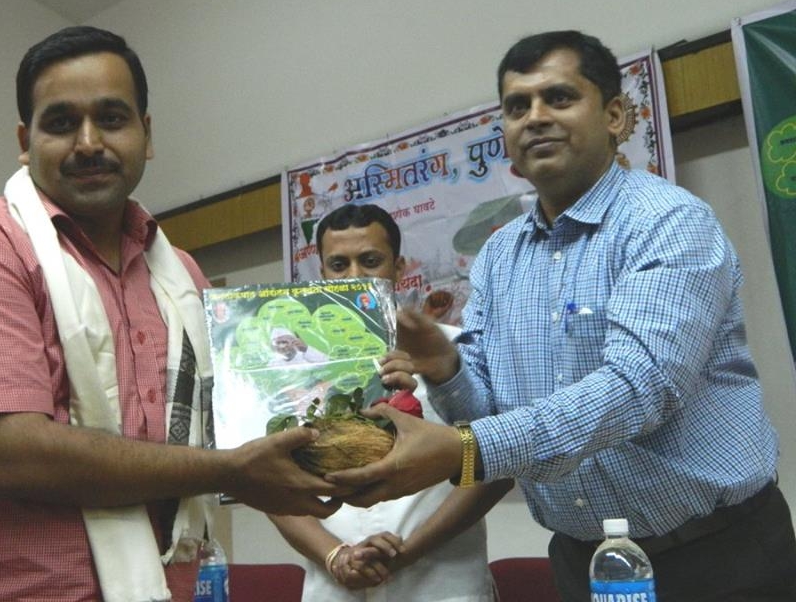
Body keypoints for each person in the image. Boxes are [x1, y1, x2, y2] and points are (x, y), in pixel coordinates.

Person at [0, 26, 345, 602]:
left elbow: (245, 420)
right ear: (25, 141)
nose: (88, 142)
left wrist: (353, 414)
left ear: (145, 134)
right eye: (60, 123)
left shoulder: (180, 276)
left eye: (111, 118)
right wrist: (229, 469)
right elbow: (10, 456)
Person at [330, 31, 796, 601]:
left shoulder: (669, 221)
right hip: (581, 560)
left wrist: (465, 449)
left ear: (615, 116)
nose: (535, 118)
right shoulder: (499, 255)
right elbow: (485, 412)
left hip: (718, 558)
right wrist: (445, 368)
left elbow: (638, 388)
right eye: (517, 106)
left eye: (559, 97)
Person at [269, 203, 512, 602]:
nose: (354, 276)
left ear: (398, 268)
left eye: (370, 261)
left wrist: (408, 552)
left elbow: (498, 467)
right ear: (323, 272)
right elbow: (269, 480)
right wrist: (336, 556)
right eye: (339, 265)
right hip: (335, 585)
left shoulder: (453, 352)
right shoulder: (292, 367)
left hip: (442, 583)